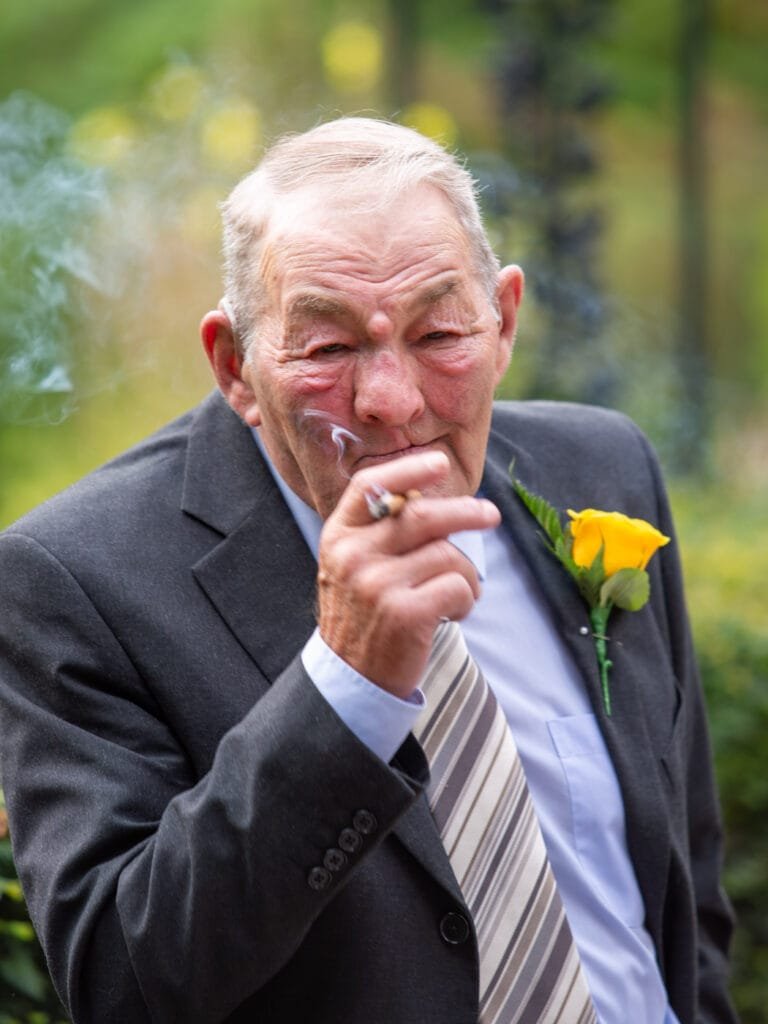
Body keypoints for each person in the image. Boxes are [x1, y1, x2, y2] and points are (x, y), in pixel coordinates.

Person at [0, 117, 736, 1024]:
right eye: (329, 348)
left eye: (438, 334)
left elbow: (684, 885)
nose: (391, 401)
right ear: (236, 366)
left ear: (502, 320)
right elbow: (123, 987)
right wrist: (343, 687)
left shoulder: (603, 469)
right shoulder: (71, 578)